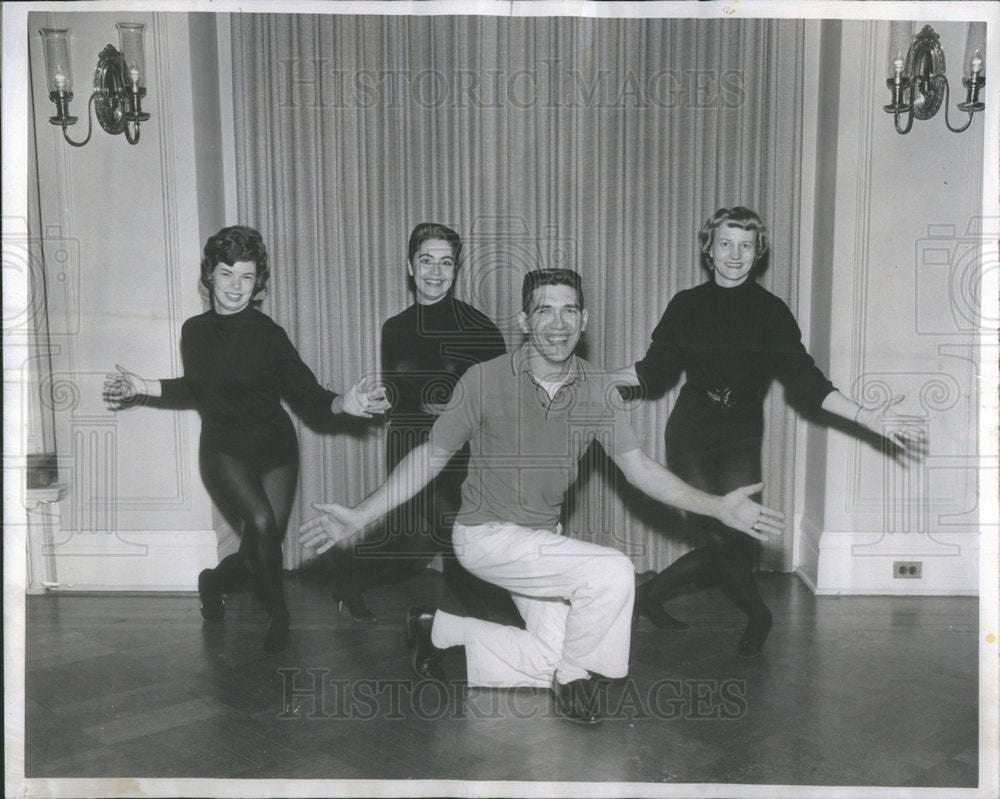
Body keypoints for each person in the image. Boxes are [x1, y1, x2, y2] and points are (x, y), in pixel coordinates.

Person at [300, 268, 785, 725]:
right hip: (484, 535)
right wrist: (360, 515)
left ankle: (438, 630)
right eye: (544, 311)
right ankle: (574, 679)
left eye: (570, 310)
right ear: (524, 321)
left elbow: (639, 469)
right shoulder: (485, 380)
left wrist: (718, 505)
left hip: (541, 541)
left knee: (553, 655)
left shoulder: (597, 389)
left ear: (584, 319)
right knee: (613, 574)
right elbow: (431, 455)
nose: (558, 324)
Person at [617, 206, 923, 657]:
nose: (735, 254)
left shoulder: (772, 312)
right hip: (692, 426)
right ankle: (759, 613)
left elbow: (808, 382)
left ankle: (648, 597)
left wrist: (865, 416)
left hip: (742, 428)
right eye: (725, 243)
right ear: (709, 248)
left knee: (738, 535)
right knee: (721, 529)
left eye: (745, 245)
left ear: (758, 253)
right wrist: (594, 381)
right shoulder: (686, 304)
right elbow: (652, 372)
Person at [103, 225, 390, 653]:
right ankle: (280, 616)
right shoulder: (195, 330)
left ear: (258, 283)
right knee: (260, 523)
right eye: (226, 274)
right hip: (223, 448)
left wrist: (343, 403)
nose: (236, 286)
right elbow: (199, 387)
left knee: (263, 545)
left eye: (247, 276)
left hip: (275, 446)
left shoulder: (269, 335)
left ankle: (213, 581)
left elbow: (309, 397)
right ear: (209, 276)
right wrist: (141, 384)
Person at [330, 222, 518, 625]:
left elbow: (500, 404)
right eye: (426, 260)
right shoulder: (394, 328)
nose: (435, 271)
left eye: (445, 262)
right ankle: (505, 626)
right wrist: (378, 400)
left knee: (420, 538)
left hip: (463, 448)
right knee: (438, 534)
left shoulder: (481, 329)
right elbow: (400, 395)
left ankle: (349, 582)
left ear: (456, 268)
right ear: (410, 266)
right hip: (409, 442)